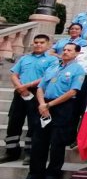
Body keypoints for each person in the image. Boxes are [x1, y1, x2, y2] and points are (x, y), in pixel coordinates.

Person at [14, 43, 85, 179]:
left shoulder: (78, 69)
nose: (65, 52)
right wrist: (42, 104)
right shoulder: (53, 67)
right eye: (64, 50)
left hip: (62, 107)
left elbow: (72, 92)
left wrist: (50, 105)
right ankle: (34, 175)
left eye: (69, 50)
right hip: (44, 106)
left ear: (77, 53)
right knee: (39, 141)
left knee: (56, 144)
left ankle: (52, 177)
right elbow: (41, 87)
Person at [0, 35, 58, 164]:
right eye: (36, 42)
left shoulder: (52, 60)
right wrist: (19, 86)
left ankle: (30, 153)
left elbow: (46, 78)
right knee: (14, 121)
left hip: (37, 93)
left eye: (42, 42)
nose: (38, 44)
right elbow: (14, 74)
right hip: (20, 92)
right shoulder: (25, 58)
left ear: (48, 44)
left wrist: (27, 86)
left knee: (34, 123)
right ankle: (11, 152)